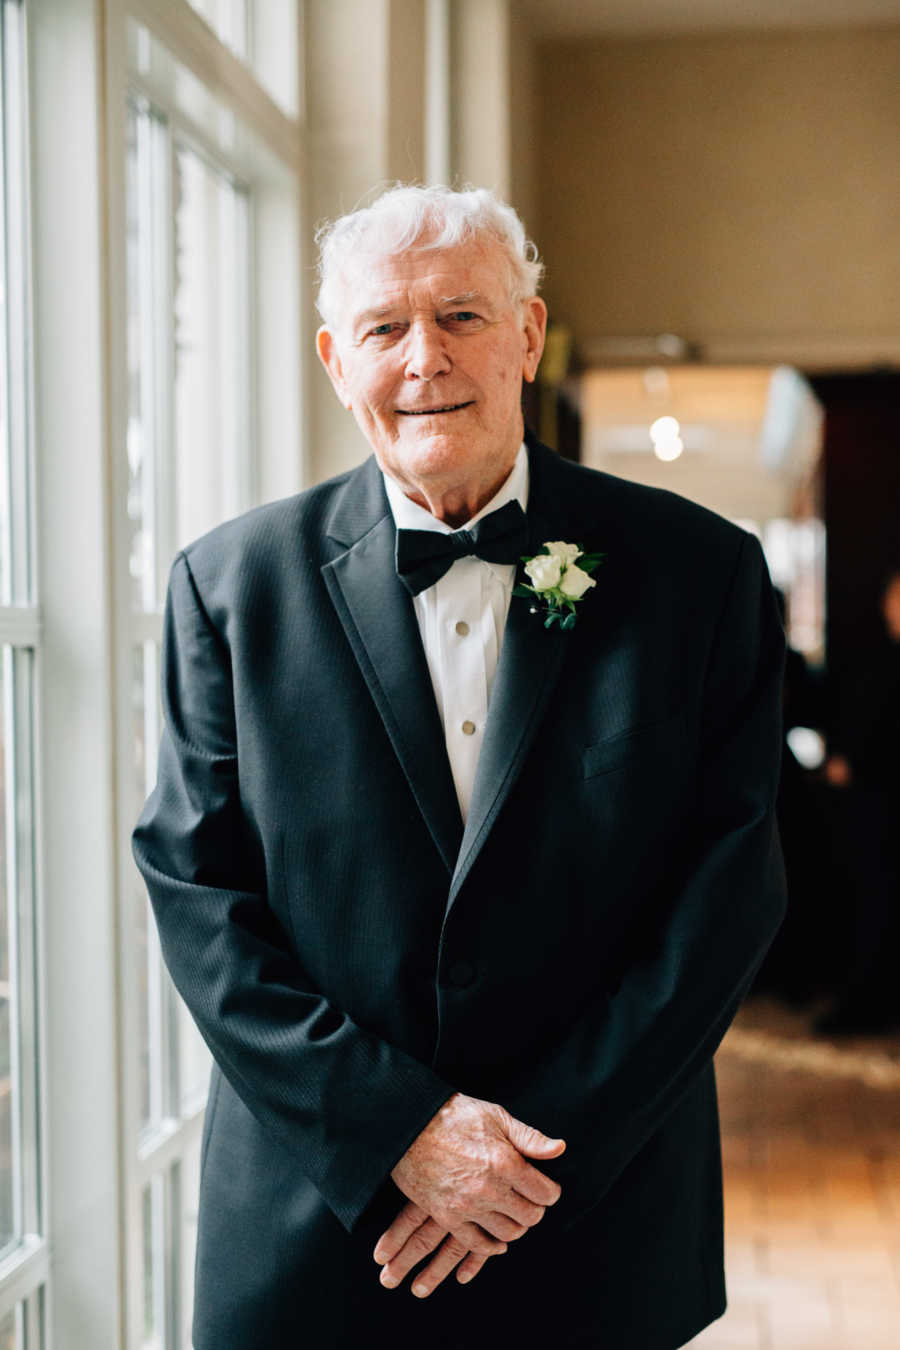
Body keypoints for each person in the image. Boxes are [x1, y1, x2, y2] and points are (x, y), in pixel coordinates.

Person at [132, 184, 787, 1350]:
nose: (423, 358)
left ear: (528, 335)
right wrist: (400, 1129)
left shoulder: (701, 575)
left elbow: (725, 892)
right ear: (338, 360)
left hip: (591, 1216)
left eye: (463, 316)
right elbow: (197, 896)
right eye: (385, 328)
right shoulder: (226, 589)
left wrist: (521, 1156)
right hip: (319, 1222)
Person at [815, 568, 900, 1034]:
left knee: (876, 904)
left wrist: (854, 764)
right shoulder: (879, 658)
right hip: (870, 804)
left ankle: (867, 1005)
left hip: (882, 804)